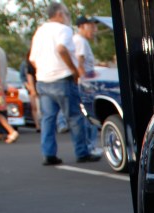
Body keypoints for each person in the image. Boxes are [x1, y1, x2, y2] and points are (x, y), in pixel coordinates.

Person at [28, 2, 100, 165]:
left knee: (48, 119)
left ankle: (48, 154)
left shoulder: (40, 31)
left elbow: (32, 58)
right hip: (62, 78)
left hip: (43, 79)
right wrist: (73, 70)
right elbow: (61, 49)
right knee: (75, 117)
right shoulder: (63, 30)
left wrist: (44, 70)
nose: (68, 18)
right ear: (59, 14)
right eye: (67, 14)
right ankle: (82, 152)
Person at [73, 16, 101, 154]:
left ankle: (90, 146)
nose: (94, 30)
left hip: (83, 81)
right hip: (85, 83)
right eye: (91, 26)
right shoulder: (80, 41)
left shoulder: (79, 41)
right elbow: (80, 63)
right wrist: (85, 82)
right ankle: (91, 146)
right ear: (82, 26)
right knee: (89, 116)